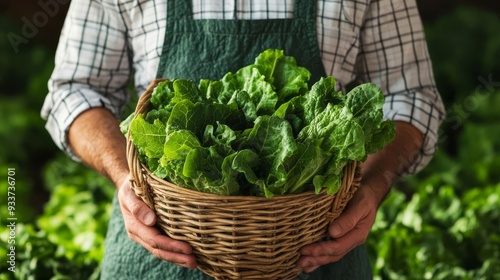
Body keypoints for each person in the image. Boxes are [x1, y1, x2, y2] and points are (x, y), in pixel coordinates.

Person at [41, 0, 445, 279]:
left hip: (320, 253)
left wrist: (372, 187)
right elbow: (75, 90)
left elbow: (409, 97)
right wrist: (125, 176)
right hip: (158, 255)